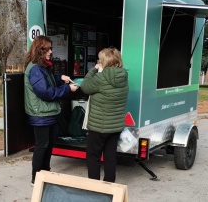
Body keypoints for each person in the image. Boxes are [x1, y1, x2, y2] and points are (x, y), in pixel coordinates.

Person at [24, 35, 79, 186]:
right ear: (39, 50)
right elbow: (46, 92)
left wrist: (60, 78)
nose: (50, 52)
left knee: (48, 145)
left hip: (46, 113)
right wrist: (67, 89)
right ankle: (36, 179)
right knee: (42, 146)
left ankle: (45, 174)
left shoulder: (41, 66)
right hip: (40, 113)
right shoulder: (35, 68)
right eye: (47, 49)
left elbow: (47, 80)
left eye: (51, 49)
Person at [80, 47, 129, 182]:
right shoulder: (123, 77)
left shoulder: (100, 78)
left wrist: (94, 70)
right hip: (115, 126)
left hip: (99, 127)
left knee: (93, 156)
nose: (98, 62)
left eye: (99, 60)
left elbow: (85, 86)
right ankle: (109, 188)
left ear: (104, 62)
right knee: (110, 157)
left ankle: (95, 188)